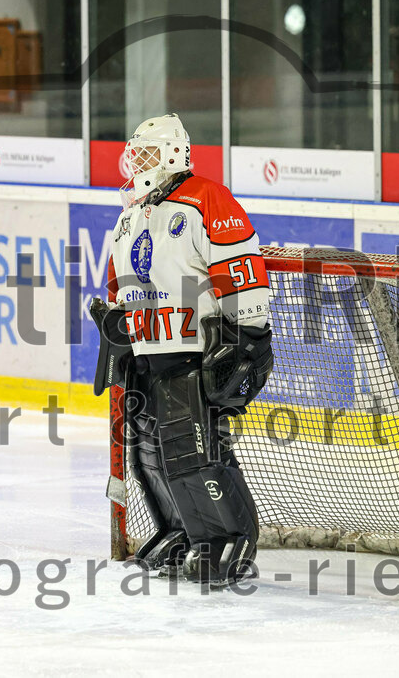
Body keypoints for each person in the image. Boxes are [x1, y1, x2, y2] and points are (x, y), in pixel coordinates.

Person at [90, 113, 273, 587]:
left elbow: (241, 269)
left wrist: (250, 338)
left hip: (196, 352)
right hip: (150, 353)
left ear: (174, 154)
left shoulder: (206, 198)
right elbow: (120, 286)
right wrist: (117, 324)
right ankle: (182, 530)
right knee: (148, 455)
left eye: (147, 154)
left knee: (193, 451)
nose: (137, 164)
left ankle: (230, 537)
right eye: (136, 155)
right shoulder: (129, 216)